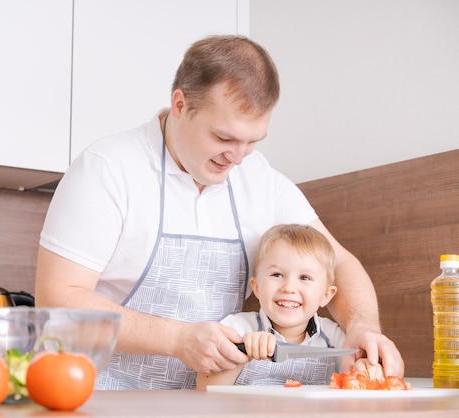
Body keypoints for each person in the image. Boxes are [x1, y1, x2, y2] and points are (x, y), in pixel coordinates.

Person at [35, 34, 403, 390]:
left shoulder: (260, 180)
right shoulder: (107, 169)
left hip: (202, 403)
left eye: (253, 142)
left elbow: (339, 264)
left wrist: (362, 327)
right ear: (180, 105)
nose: (238, 158)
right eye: (224, 138)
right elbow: (57, 299)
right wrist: (177, 339)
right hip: (94, 396)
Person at [196, 224, 384, 390]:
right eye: (277, 275)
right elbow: (205, 388)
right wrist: (240, 353)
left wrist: (366, 369)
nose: (289, 288)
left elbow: (361, 382)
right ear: (257, 287)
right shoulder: (235, 330)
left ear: (326, 296)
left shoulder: (337, 339)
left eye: (305, 278)